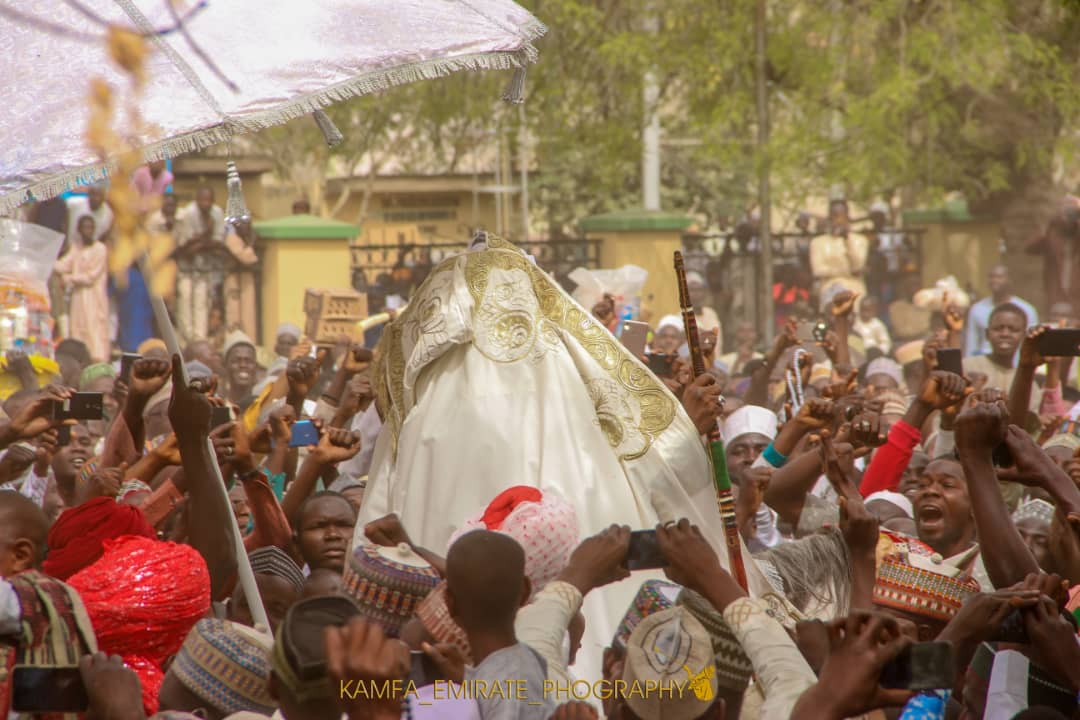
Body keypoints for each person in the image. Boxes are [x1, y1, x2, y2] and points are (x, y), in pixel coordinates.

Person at [445, 530, 556, 719]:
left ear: (449, 603)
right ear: (525, 591)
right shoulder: (529, 659)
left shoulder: (507, 688)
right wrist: (464, 677)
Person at [55, 214, 110, 362]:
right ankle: (79, 361)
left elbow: (91, 276)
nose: (88, 231)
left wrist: (68, 279)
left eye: (91, 228)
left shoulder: (100, 249)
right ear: (79, 230)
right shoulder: (76, 247)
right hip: (78, 298)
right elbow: (63, 265)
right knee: (77, 329)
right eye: (85, 228)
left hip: (94, 298)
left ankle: (98, 362)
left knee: (94, 331)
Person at [965, 266, 1039, 357]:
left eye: (999, 277)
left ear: (1009, 280)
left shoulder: (1027, 310)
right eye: (991, 277)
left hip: (1016, 365)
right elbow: (971, 343)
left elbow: (1033, 343)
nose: (995, 280)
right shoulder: (977, 309)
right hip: (984, 364)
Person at [223, 330, 259, 411]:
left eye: (248, 361)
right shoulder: (218, 408)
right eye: (236, 360)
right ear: (225, 365)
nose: (243, 365)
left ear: (256, 367)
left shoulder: (262, 409)